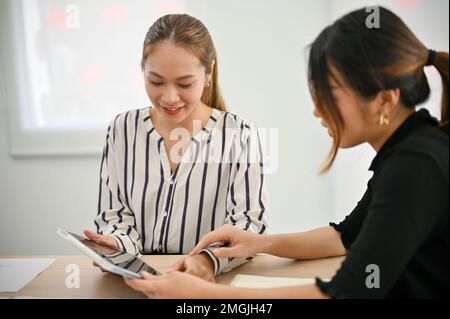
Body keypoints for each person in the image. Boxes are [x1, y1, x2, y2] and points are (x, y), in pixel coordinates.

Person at [125, 7, 449, 298]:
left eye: (330, 93)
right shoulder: (408, 153)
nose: (317, 111)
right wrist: (261, 243)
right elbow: (344, 236)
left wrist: (207, 296)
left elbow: (347, 293)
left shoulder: (415, 164)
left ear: (385, 99)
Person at [84, 13, 268, 282]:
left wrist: (206, 261)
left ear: (209, 73)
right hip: (136, 282)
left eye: (184, 83)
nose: (169, 98)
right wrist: (116, 245)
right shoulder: (122, 129)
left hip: (206, 282)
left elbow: (249, 223)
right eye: (156, 81)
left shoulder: (239, 134)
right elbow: (116, 215)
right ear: (142, 71)